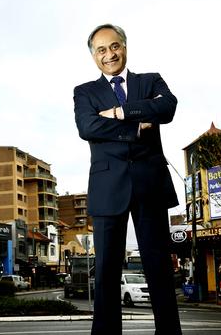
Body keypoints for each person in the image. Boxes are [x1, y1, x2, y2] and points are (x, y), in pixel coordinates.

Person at [73, 24, 182, 335]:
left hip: (150, 183)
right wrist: (136, 127)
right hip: (108, 188)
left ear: (125, 46)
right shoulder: (85, 92)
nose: (110, 54)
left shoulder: (150, 81)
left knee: (159, 268)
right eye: (102, 50)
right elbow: (87, 127)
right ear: (94, 56)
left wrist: (120, 112)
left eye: (115, 46)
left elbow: (167, 107)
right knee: (106, 272)